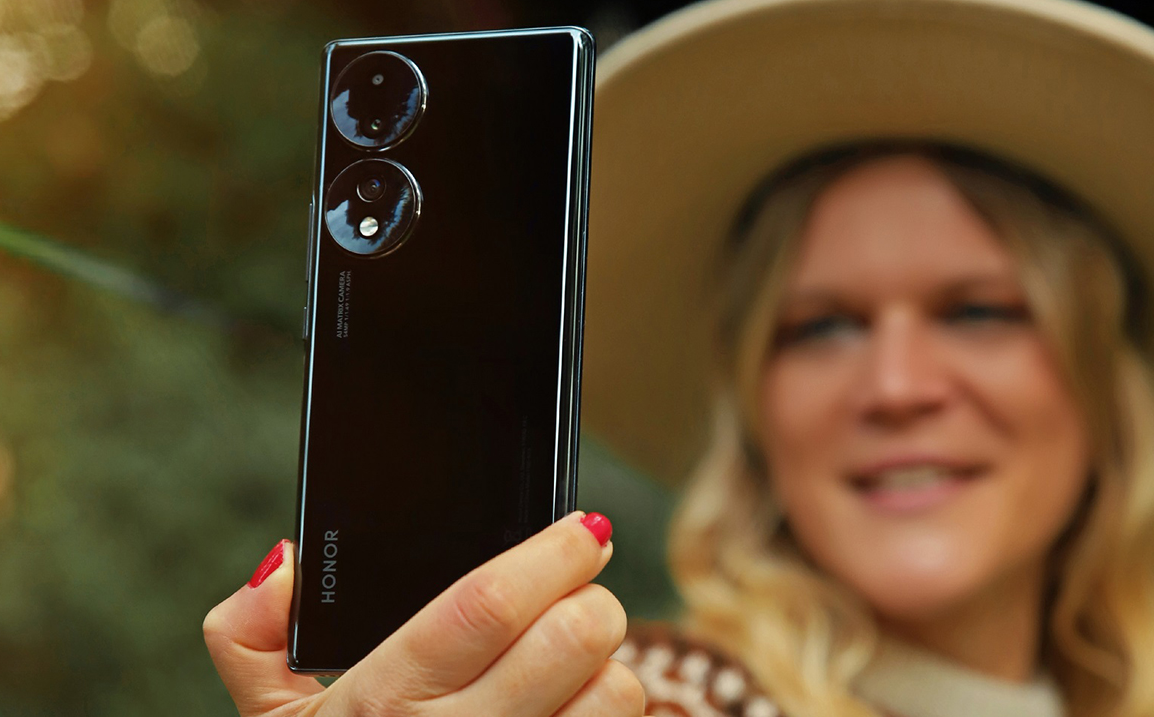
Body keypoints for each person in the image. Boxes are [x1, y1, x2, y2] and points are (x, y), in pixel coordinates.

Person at [203, 0, 1154, 715]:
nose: (897, 387)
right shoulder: (640, 700)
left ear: (1104, 380)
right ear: (754, 405)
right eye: (821, 326)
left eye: (979, 311)